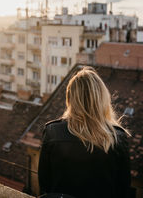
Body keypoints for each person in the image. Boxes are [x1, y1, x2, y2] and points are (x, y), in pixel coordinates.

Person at [38, 66, 131, 198]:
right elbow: (123, 190)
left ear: (70, 99)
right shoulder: (118, 137)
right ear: (103, 98)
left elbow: (45, 186)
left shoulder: (53, 132)